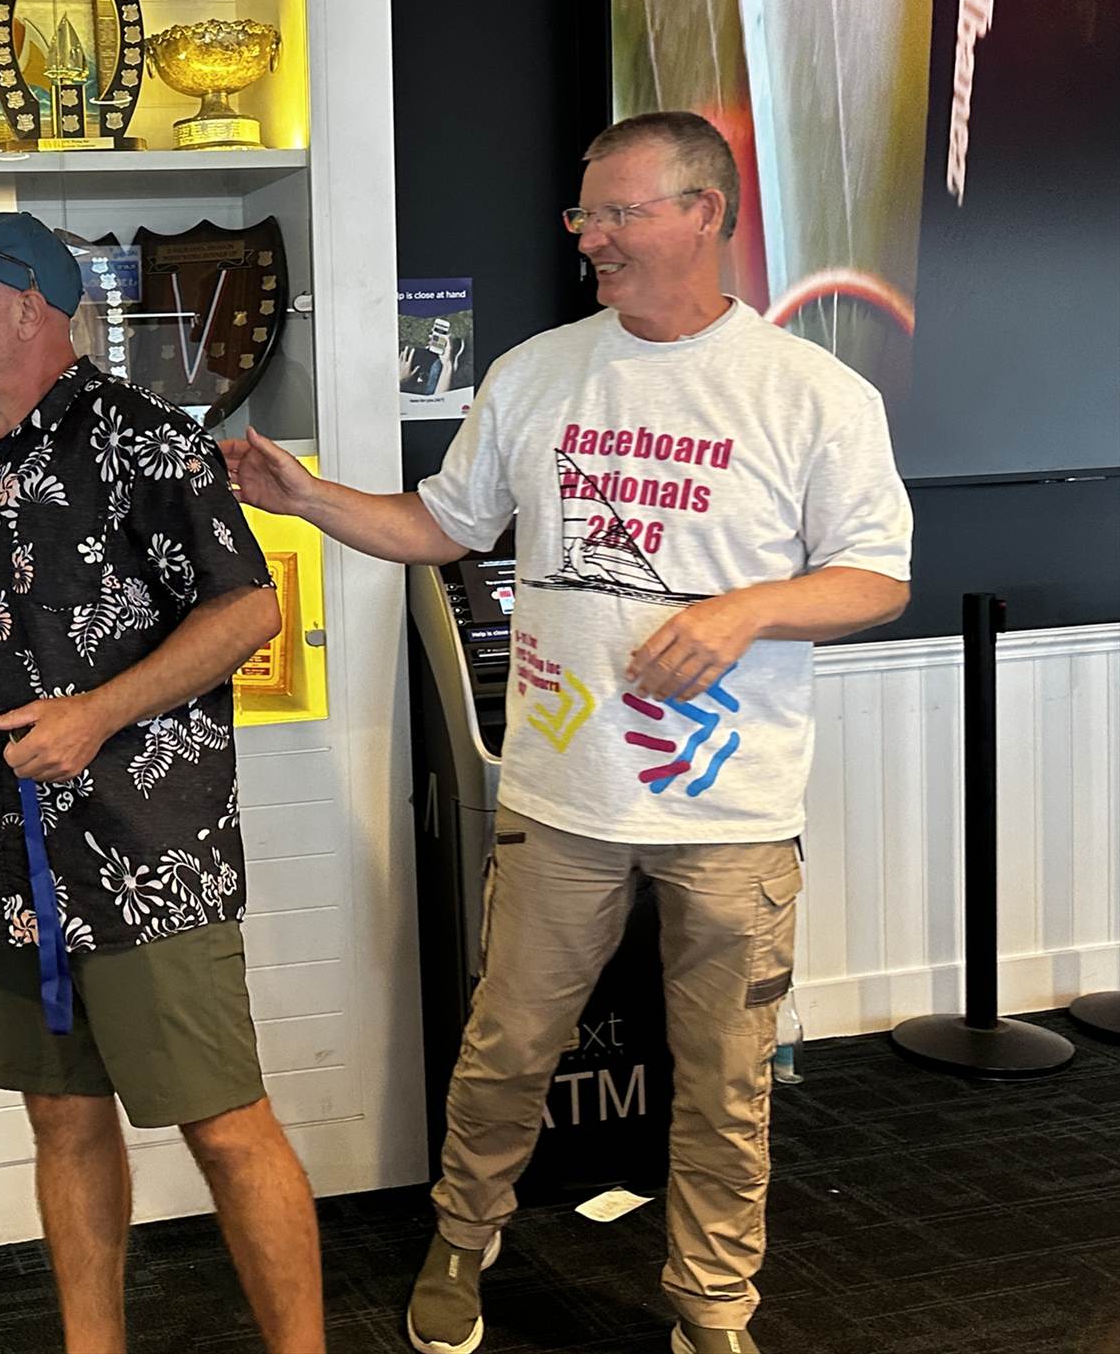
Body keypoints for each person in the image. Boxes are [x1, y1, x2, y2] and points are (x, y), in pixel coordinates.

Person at [223, 112, 912, 1354]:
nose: (591, 236)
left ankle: (711, 1303)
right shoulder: (537, 372)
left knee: (727, 1081)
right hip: (561, 795)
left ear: (706, 212)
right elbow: (442, 526)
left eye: (618, 212)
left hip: (733, 811)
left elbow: (878, 576)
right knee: (506, 1052)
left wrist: (748, 608)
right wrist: (310, 497)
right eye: (583, 214)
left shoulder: (813, 392)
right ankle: (462, 1239)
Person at [0, 211, 324, 1352]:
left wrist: (96, 713)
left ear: (29, 306)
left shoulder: (148, 439)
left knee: (224, 1123)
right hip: (11, 856)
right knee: (63, 1115)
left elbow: (248, 608)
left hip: (146, 855)